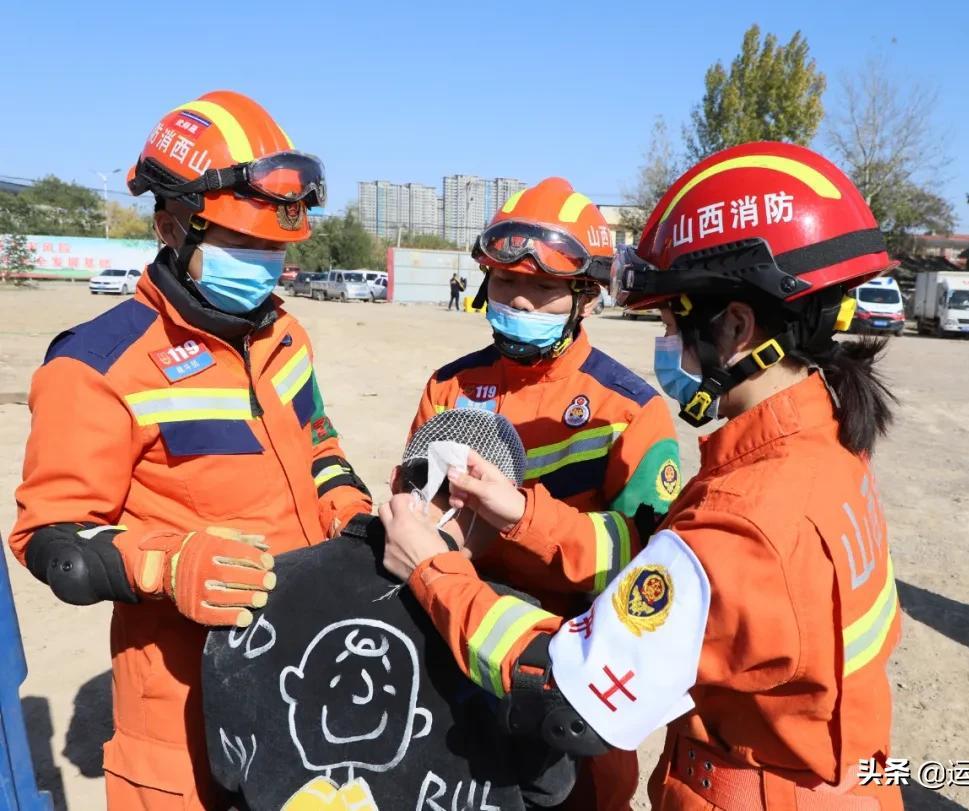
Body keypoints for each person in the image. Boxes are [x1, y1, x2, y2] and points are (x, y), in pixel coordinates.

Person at [383, 142, 904, 810]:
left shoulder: (742, 516)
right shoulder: (828, 449)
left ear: (737, 326)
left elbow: (568, 692)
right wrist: (517, 516)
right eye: (506, 282)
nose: (665, 343)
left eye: (669, 321)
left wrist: (433, 570)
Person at [8, 90, 373, 810]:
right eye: (243, 244)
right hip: (179, 710)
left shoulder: (284, 336)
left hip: (299, 678)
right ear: (171, 225)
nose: (264, 264)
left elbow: (320, 445)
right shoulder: (97, 366)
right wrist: (169, 564)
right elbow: (52, 538)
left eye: (275, 248)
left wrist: (350, 512)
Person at [409, 177, 682, 810]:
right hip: (456, 653)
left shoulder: (629, 411)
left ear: (586, 296)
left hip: (570, 675)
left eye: (544, 288)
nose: (520, 300)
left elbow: (650, 567)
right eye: (506, 281)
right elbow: (414, 504)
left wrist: (522, 518)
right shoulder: (449, 387)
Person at [203, 409, 576, 810]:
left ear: (397, 478)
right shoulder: (514, 631)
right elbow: (550, 786)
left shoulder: (263, 585)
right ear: (497, 511)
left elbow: (227, 765)